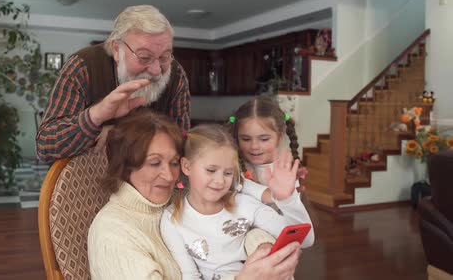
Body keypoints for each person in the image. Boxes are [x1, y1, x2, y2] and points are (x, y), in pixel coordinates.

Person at [88, 109, 302, 280]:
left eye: (173, 163)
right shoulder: (112, 232)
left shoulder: (174, 199)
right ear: (125, 166)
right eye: (155, 163)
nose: (170, 174)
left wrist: (258, 243)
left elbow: (233, 222)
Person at [37, 5, 191, 163]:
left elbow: (182, 143)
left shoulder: (176, 74)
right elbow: (45, 147)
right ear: (117, 49)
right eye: (144, 57)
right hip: (88, 182)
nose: (156, 70)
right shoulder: (82, 67)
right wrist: (96, 116)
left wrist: (120, 135)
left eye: (165, 56)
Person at [160, 124, 314, 280]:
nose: (220, 181)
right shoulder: (172, 219)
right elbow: (190, 276)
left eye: (228, 173)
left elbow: (303, 240)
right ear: (186, 166)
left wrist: (286, 199)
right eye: (211, 170)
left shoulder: (245, 204)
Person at [229, 96, 316, 219]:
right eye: (246, 139)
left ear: (279, 137)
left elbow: (297, 223)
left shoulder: (285, 172)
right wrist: (266, 194)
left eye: (264, 139)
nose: (254, 146)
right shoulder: (230, 169)